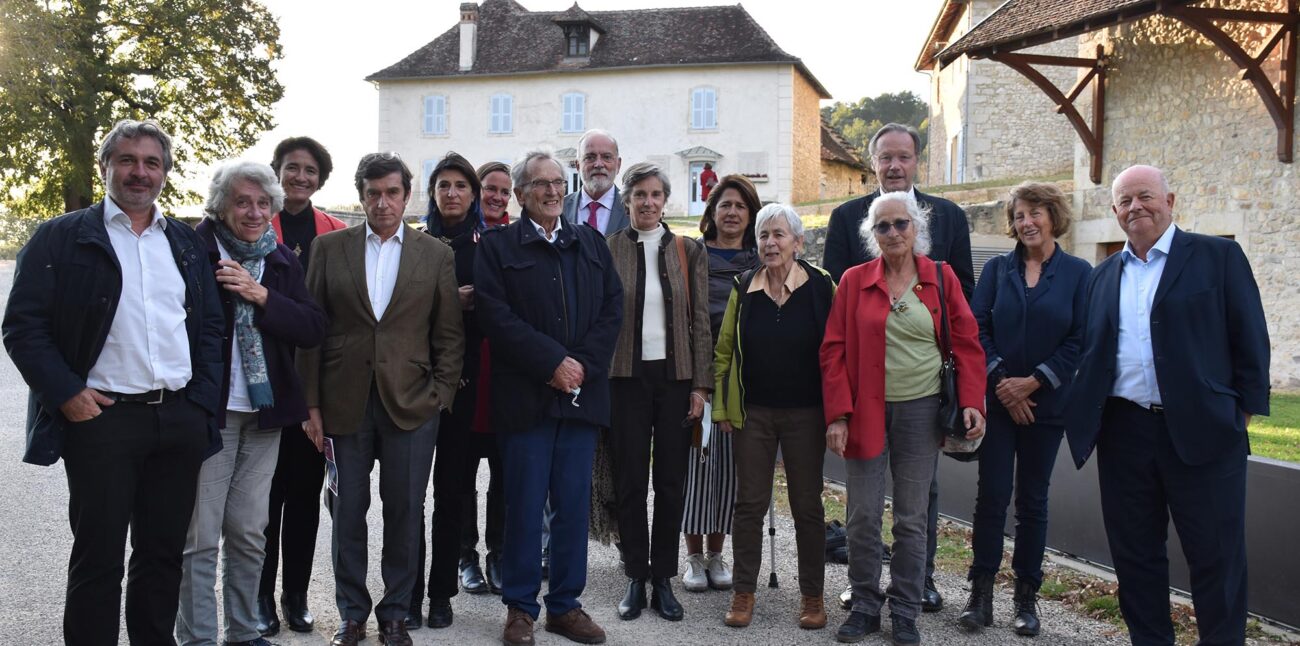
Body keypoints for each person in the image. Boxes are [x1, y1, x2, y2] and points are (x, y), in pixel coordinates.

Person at [2, 119, 224, 645]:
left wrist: (199, 405)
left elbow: (210, 328)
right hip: (101, 421)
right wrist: (66, 395)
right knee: (99, 559)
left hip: (177, 421)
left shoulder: (186, 244)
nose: (138, 172)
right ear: (105, 167)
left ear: (166, 173)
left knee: (161, 556)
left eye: (151, 162)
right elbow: (23, 327)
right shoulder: (61, 237)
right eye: (126, 160)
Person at [1064, 165, 1270, 646]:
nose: (1135, 207)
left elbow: (1251, 340)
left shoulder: (1218, 257)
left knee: (1215, 557)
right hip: (1124, 433)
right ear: (1115, 213)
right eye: (1124, 201)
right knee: (1135, 557)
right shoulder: (1101, 276)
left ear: (1170, 200)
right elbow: (1092, 351)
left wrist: (1238, 418)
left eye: (1145, 196)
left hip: (1204, 432)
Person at [296, 152, 464, 646]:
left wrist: (439, 395)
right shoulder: (328, 249)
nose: (383, 202)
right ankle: (352, 614)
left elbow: (449, 335)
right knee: (346, 510)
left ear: (406, 196)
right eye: (373, 193)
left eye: (392, 192)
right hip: (342, 403)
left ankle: (394, 612)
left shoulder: (435, 254)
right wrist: (311, 406)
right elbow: (311, 333)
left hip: (412, 405)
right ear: (362, 196)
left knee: (405, 510)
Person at [821, 191, 986, 646]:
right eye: (883, 226)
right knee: (861, 515)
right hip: (865, 409)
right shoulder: (854, 281)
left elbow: (968, 342)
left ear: (916, 228)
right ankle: (866, 605)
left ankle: (907, 610)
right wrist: (838, 414)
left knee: (912, 518)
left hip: (921, 410)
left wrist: (972, 400)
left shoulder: (940, 277)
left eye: (901, 224)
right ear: (871, 236)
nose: (893, 233)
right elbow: (832, 350)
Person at [474, 149, 622, 646]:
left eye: (560, 181)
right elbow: (495, 315)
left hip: (580, 399)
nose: (553, 190)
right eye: (541, 184)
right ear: (520, 195)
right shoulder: (497, 247)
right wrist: (550, 364)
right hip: (527, 400)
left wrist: (579, 366)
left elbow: (611, 310)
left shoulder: (591, 244)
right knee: (524, 505)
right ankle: (520, 608)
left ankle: (564, 605)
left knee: (573, 506)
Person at [177, 160, 327, 646]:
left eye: (263, 203)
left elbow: (311, 327)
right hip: (210, 414)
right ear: (221, 205)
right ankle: (198, 637)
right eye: (243, 201)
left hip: (265, 416)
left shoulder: (280, 259)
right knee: (199, 535)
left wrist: (262, 296)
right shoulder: (192, 250)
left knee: (247, 532)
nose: (254, 211)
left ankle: (242, 632)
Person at [959, 182, 1090, 637]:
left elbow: (1080, 337)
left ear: (1053, 216)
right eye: (1018, 215)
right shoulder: (997, 270)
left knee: (1033, 501)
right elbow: (977, 327)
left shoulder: (1078, 272)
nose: (1026, 222)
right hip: (997, 403)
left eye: (1035, 212)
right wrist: (1003, 384)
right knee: (991, 497)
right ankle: (980, 596)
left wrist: (1034, 381)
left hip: (1048, 405)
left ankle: (1026, 598)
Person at [713, 203, 837, 631]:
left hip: (808, 414)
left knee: (807, 506)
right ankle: (743, 592)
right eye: (764, 235)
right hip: (755, 413)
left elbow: (837, 352)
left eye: (779, 234)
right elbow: (725, 349)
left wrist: (840, 412)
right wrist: (723, 406)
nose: (769, 242)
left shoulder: (822, 286)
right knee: (749, 504)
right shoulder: (743, 285)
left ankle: (812, 595)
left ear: (798, 243)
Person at [605, 162, 713, 622]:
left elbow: (702, 322)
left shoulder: (689, 250)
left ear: (664, 200)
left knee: (671, 482)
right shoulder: (607, 249)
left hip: (676, 381)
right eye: (639, 195)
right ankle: (634, 574)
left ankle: (663, 578)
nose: (647, 202)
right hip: (624, 379)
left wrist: (701, 386)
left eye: (655, 194)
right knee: (630, 480)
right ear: (626, 200)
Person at [258, 135, 348, 636]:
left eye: (310, 171)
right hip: (265, 381)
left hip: (315, 385)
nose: (300, 177)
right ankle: (259, 595)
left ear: (320, 179)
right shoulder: (251, 224)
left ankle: (295, 596)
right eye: (292, 168)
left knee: (306, 496)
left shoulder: (334, 231)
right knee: (263, 500)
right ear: (277, 172)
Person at [408, 152, 491, 630]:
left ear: (473, 193)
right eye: (444, 185)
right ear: (433, 192)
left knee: (452, 494)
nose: (453, 193)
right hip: (416, 384)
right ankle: (409, 592)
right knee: (410, 496)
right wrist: (446, 299)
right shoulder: (414, 246)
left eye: (461, 184)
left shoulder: (488, 247)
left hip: (464, 384)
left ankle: (441, 594)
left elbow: (494, 314)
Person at [681, 174, 762, 593]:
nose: (732, 213)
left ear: (751, 214)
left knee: (731, 469)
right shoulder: (693, 254)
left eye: (740, 206)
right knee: (697, 465)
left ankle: (717, 553)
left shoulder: (759, 258)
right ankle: (693, 555)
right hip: (698, 371)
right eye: (724, 205)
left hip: (741, 378)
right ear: (711, 212)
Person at [563, 128, 629, 235]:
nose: (598, 164)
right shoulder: (559, 209)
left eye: (607, 157)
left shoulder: (633, 209)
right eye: (590, 157)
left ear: (618, 164)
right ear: (577, 165)